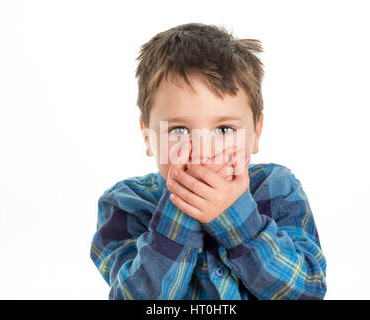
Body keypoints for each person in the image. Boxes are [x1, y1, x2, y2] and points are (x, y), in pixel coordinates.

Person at [90, 22, 327, 299]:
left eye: (224, 129)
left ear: (255, 134)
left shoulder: (277, 187)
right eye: (179, 130)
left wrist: (236, 220)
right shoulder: (125, 204)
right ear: (147, 137)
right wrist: (181, 209)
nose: (203, 152)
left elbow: (307, 291)